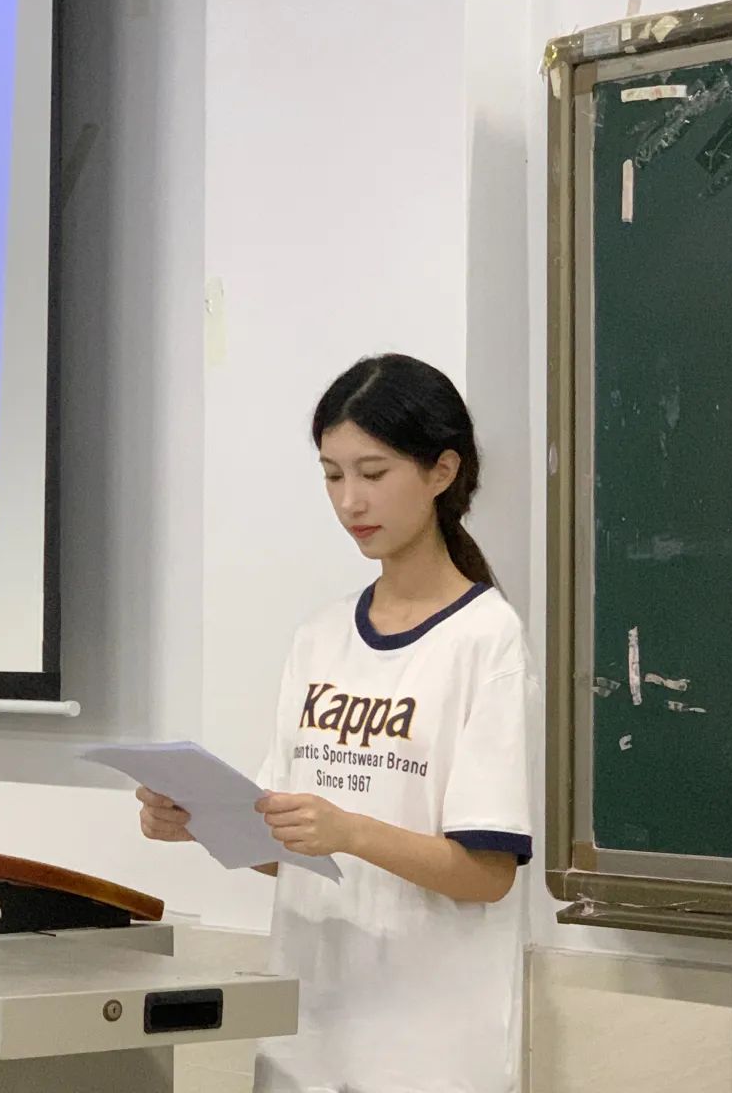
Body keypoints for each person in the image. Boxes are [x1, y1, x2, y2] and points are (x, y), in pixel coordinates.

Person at [137, 354, 537, 1093]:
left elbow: (487, 875)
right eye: (331, 475)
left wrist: (349, 830)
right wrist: (199, 820)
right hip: (308, 1035)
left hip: (428, 1050)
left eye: (373, 472)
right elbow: (288, 851)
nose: (351, 500)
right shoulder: (319, 637)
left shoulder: (487, 639)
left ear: (442, 470)